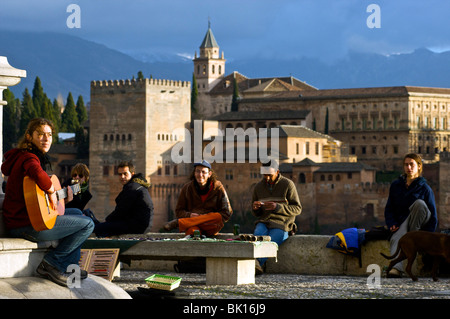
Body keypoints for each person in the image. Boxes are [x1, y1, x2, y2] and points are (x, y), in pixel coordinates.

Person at [1, 118, 94, 287]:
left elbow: (36, 196)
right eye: (41, 134)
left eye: (49, 135)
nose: (46, 139)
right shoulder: (29, 157)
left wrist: (63, 195)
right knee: (88, 224)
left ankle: (70, 267)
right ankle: (52, 264)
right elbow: (36, 171)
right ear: (29, 137)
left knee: (78, 214)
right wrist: (51, 190)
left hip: (24, 219)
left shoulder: (24, 157)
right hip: (26, 225)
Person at [384, 153, 438, 278]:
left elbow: (433, 215)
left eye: (411, 164)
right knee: (397, 237)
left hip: (420, 226)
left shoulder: (425, 188)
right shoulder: (396, 186)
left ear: (419, 166)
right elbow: (389, 207)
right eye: (406, 164)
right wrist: (391, 223)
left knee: (419, 203)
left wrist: (428, 237)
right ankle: (396, 269)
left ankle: (414, 236)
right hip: (402, 222)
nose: (408, 167)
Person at [252, 159, 302, 274]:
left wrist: (278, 207)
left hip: (282, 223)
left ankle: (256, 263)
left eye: (270, 175)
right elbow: (256, 214)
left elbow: (297, 208)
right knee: (257, 236)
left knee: (272, 241)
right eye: (264, 175)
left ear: (277, 172)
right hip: (264, 221)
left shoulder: (288, 185)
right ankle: (256, 264)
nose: (267, 178)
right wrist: (256, 208)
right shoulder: (258, 187)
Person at [164, 160, 232, 237]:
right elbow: (178, 211)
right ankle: (190, 227)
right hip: (194, 226)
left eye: (203, 172)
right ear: (194, 173)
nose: (200, 175)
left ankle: (179, 223)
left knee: (217, 217)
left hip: (211, 226)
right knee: (192, 232)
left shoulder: (218, 188)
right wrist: (189, 215)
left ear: (209, 174)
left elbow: (227, 212)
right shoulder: (187, 188)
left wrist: (208, 218)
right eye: (197, 171)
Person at [94, 161, 153, 237]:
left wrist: (107, 220)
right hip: (140, 225)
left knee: (98, 228)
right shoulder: (136, 185)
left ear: (132, 174)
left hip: (137, 226)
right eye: (120, 174)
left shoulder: (132, 188)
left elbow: (121, 210)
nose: (122, 177)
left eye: (125, 174)